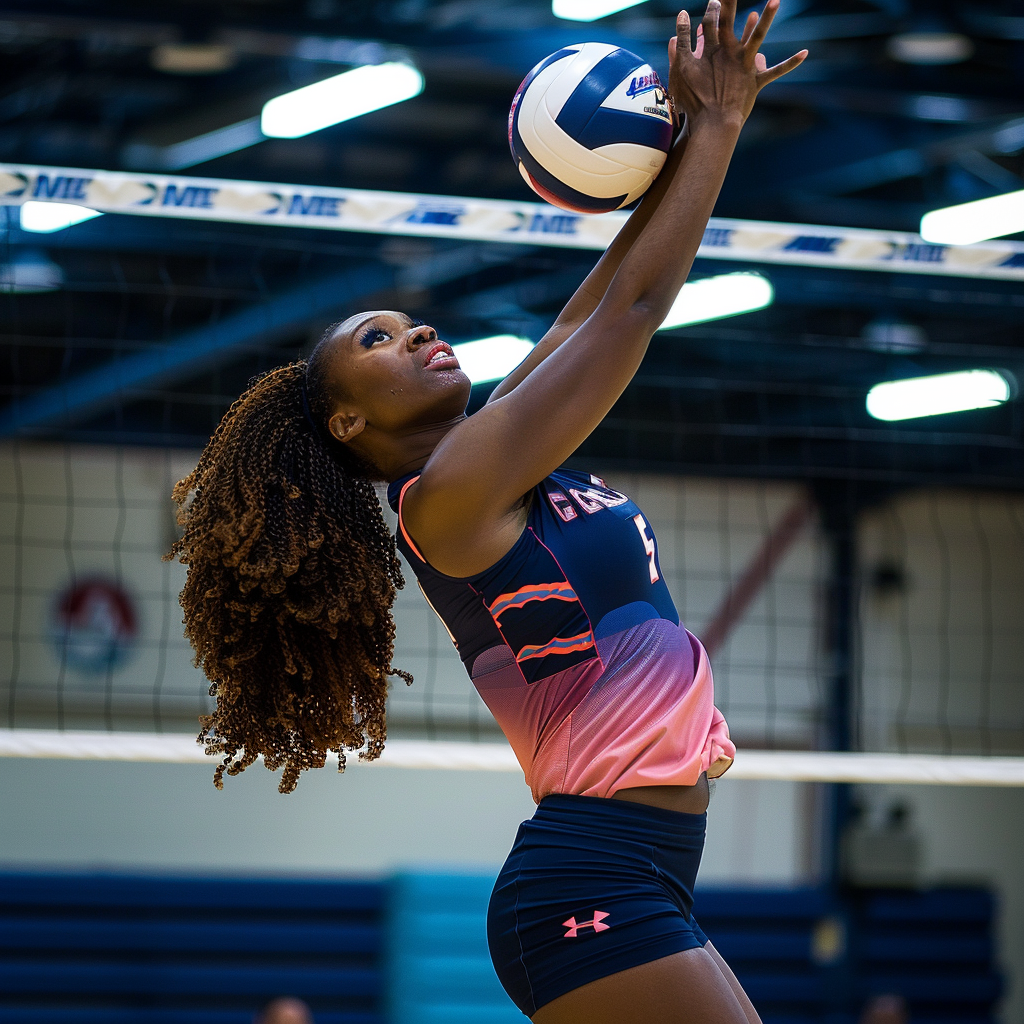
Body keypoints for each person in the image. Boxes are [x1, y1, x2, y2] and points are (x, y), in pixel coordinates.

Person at [169, 4, 806, 1021]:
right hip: (589, 878)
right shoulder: (448, 495)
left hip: (636, 869)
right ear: (345, 422)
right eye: (378, 341)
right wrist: (723, 127)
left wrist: (677, 143)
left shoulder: (494, 451)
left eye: (407, 319)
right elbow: (636, 315)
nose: (416, 328)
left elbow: (591, 309)